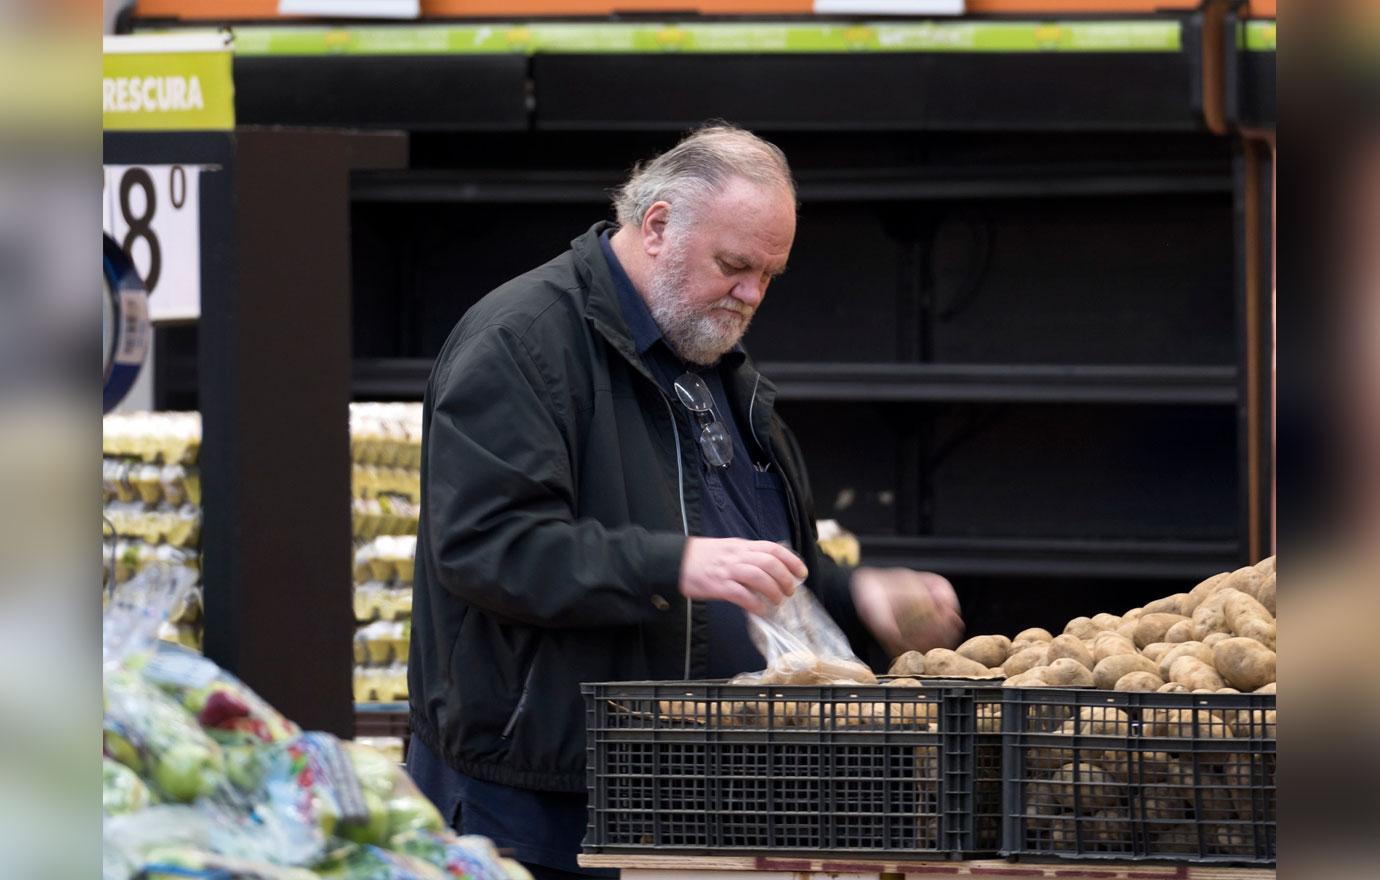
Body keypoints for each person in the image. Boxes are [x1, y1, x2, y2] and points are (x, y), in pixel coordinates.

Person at [406, 123, 964, 878]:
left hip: (683, 798)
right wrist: (673, 564)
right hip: (539, 804)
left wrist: (849, 592)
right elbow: (486, 546)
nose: (752, 294)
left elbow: (742, 545)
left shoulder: (707, 359)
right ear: (658, 224)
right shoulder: (521, 341)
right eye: (735, 266)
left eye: (770, 274)